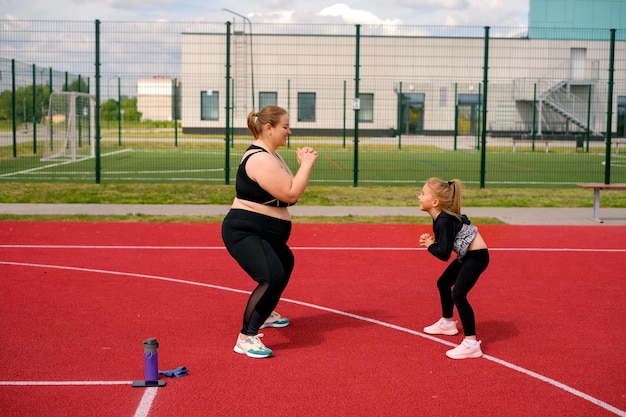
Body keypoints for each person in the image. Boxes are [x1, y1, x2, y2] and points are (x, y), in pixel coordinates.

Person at [221, 105, 318, 359]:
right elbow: (291, 194)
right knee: (271, 276)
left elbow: (289, 190)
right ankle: (246, 337)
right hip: (245, 230)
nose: (289, 132)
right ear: (269, 128)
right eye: (285, 127)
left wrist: (300, 166)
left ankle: (265, 313)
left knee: (285, 262)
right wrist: (307, 164)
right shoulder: (260, 158)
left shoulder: (272, 155)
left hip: (265, 231)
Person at [418, 178, 489, 359]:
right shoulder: (441, 219)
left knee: (458, 294)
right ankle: (447, 323)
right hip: (467, 255)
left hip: (477, 257)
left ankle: (471, 343)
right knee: (443, 283)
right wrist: (434, 243)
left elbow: (443, 254)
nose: (419, 197)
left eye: (423, 193)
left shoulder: (443, 221)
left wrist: (429, 245)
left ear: (435, 202)